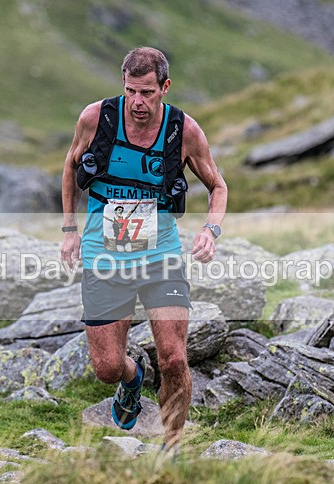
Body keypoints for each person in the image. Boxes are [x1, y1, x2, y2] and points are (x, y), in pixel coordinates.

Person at [60, 47, 228, 451]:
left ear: (164, 87)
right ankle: (133, 379)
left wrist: (211, 230)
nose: (138, 102)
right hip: (105, 254)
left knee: (174, 358)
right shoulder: (95, 119)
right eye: (132, 91)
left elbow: (218, 186)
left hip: (160, 257)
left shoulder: (184, 131)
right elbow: (70, 165)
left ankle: (172, 449)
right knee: (107, 368)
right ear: (123, 83)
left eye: (148, 93)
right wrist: (69, 229)